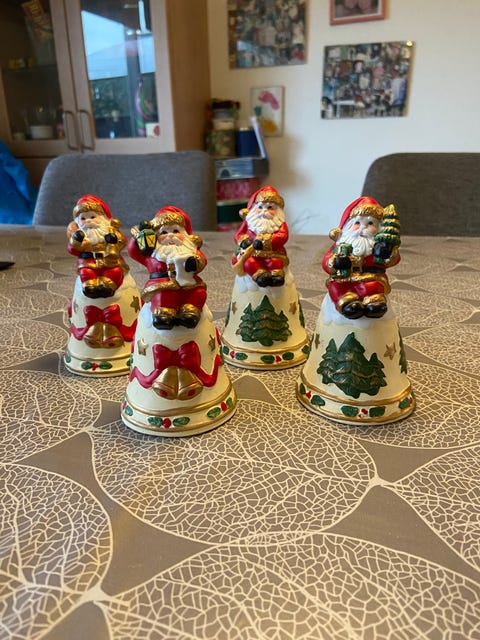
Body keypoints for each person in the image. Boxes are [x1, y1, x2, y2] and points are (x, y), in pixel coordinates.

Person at [128, 206, 207, 330]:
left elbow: (202, 261)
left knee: (199, 293)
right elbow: (133, 251)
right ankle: (164, 314)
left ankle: (190, 313)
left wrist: (194, 263)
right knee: (164, 295)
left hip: (190, 284)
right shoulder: (152, 254)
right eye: (164, 233)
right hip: (161, 285)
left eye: (175, 231)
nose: (170, 235)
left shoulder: (191, 249)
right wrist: (139, 235)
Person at [322, 196, 400, 319]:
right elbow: (326, 261)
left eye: (370, 223)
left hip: (370, 278)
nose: (362, 228)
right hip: (343, 279)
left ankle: (375, 303)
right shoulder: (340, 247)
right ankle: (347, 304)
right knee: (336, 287)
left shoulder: (376, 248)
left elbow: (392, 261)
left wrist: (388, 252)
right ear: (348, 226)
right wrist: (335, 262)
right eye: (357, 223)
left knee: (373, 286)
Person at [67, 194, 128, 299]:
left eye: (92, 217)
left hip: (110, 261)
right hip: (88, 261)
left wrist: (113, 240)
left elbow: (123, 242)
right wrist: (77, 242)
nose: (88, 221)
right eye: (83, 218)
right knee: (86, 272)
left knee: (115, 271)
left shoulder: (110, 231)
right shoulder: (79, 235)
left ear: (104, 218)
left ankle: (107, 287)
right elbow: (72, 249)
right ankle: (89, 287)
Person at [232, 185, 289, 287]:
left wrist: (265, 242)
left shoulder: (279, 223)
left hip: (273, 253)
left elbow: (283, 236)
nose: (264, 211)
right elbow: (239, 234)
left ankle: (276, 277)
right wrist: (243, 241)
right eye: (260, 207)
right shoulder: (250, 222)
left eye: (270, 207)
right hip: (252, 254)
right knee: (249, 263)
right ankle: (260, 276)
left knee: (275, 262)